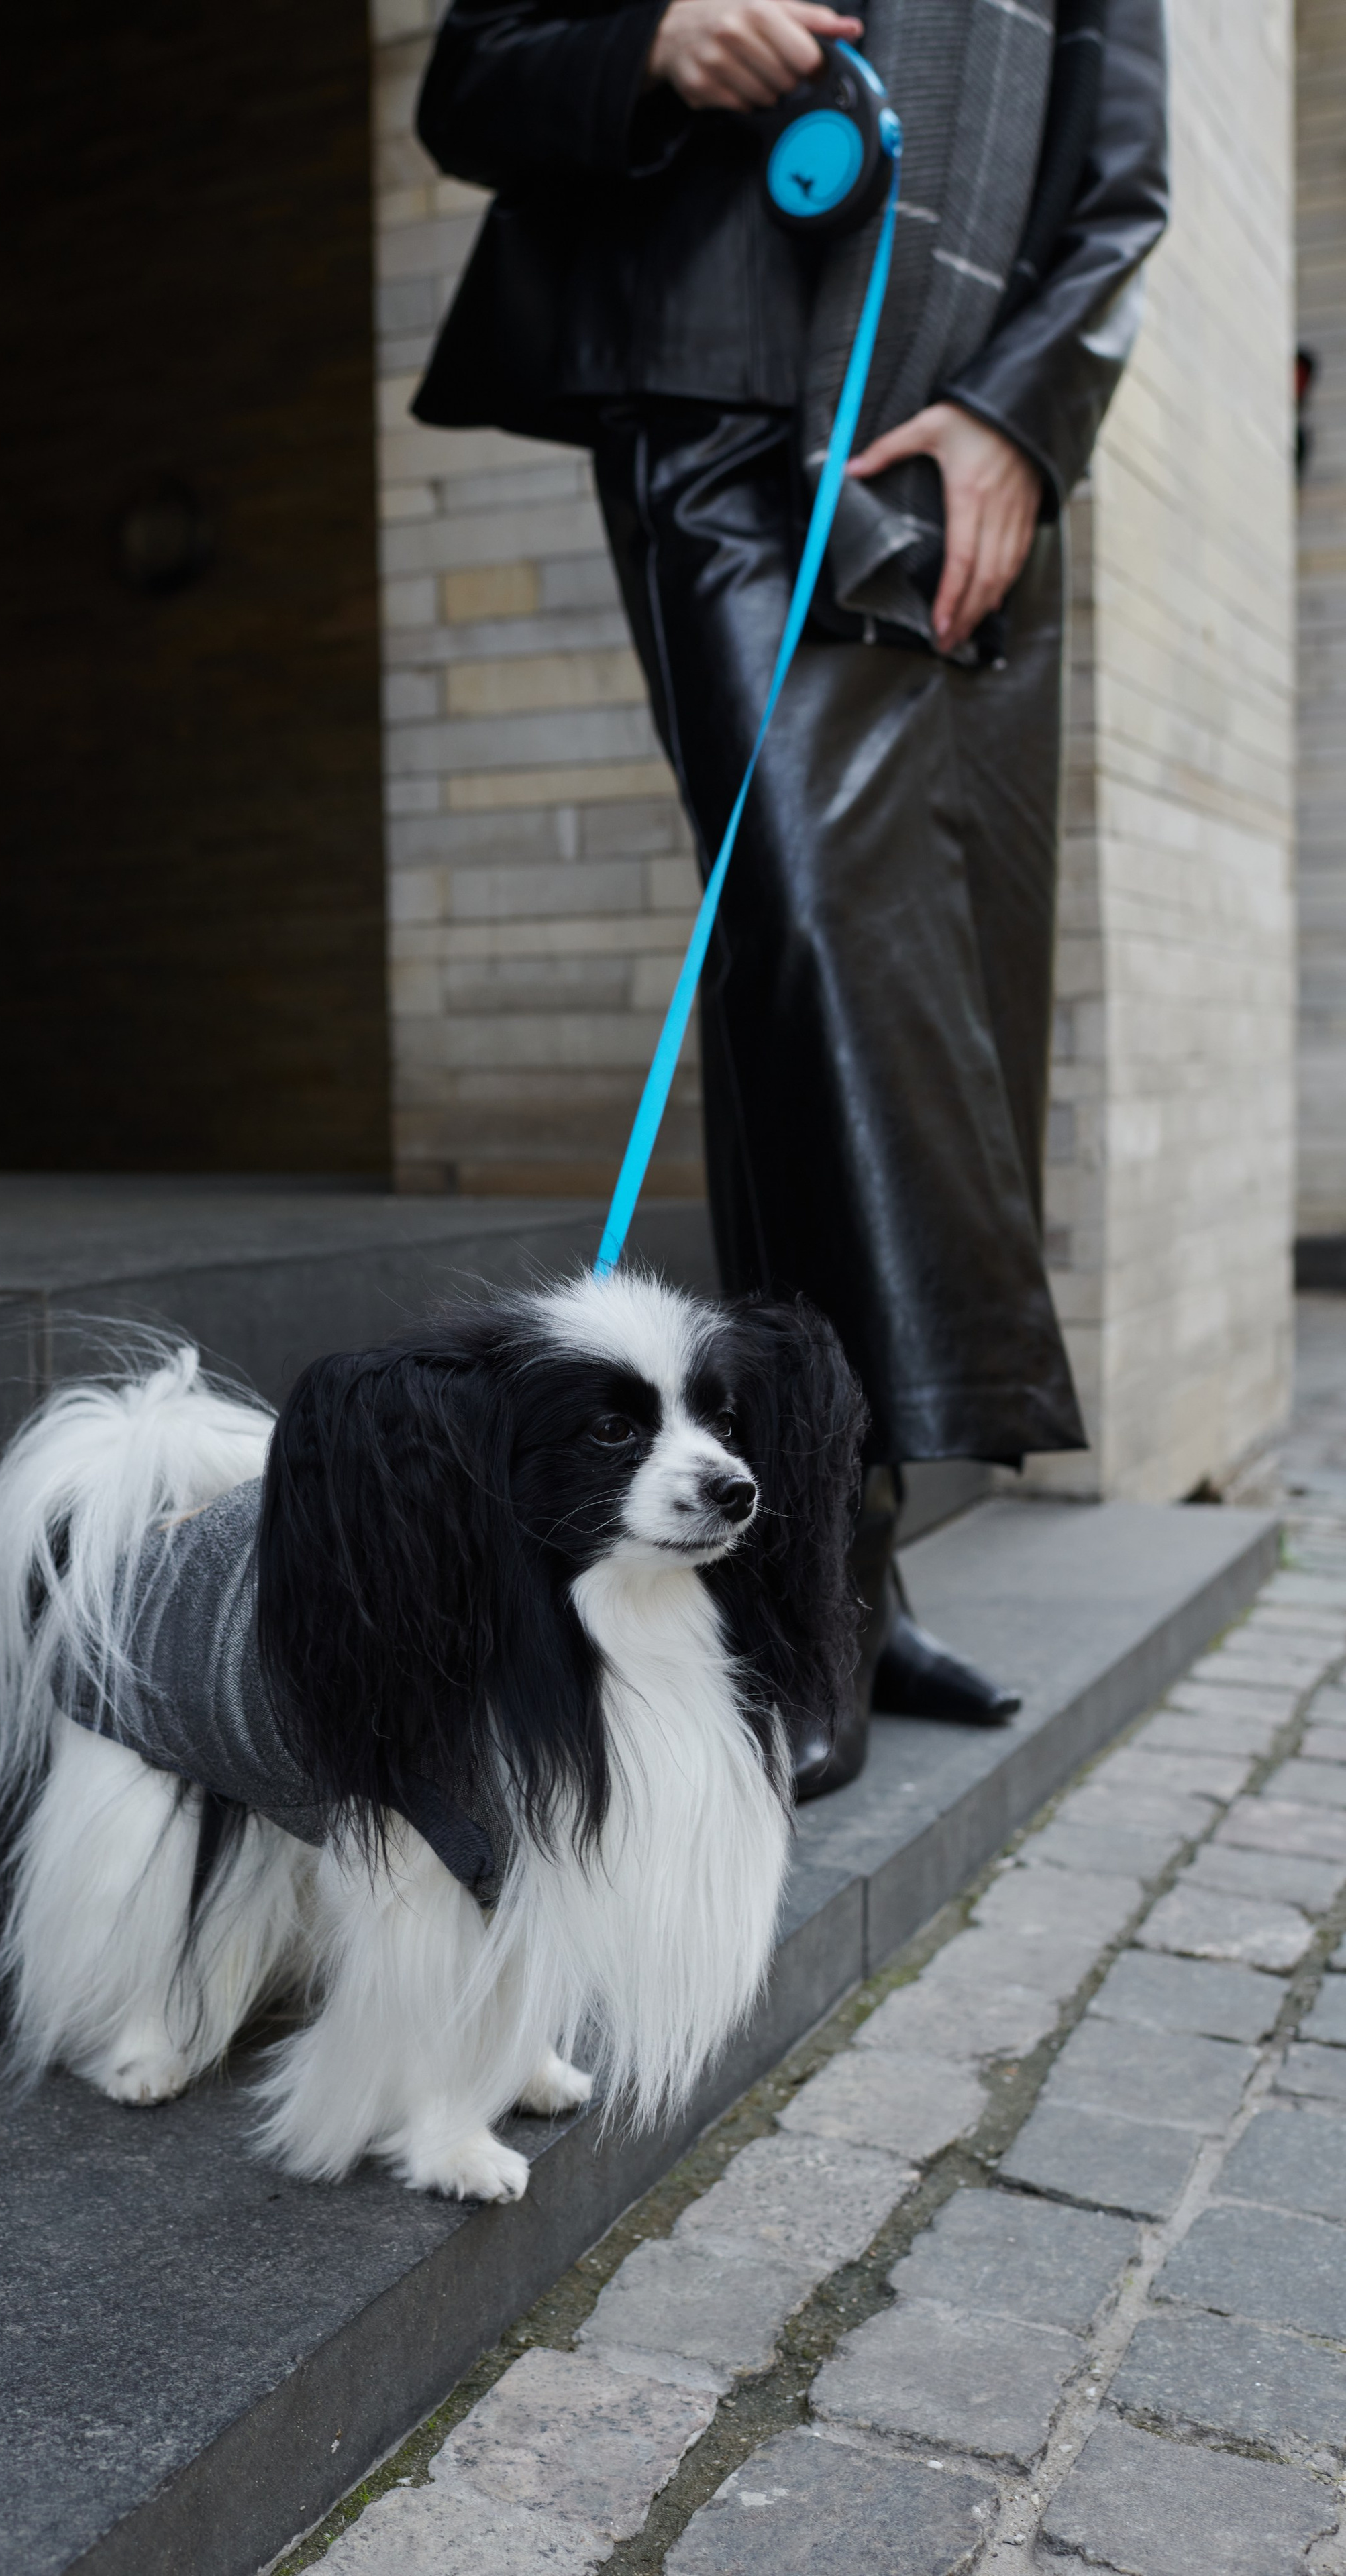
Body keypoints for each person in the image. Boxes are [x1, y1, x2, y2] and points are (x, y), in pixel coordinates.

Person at [411, 0, 1169, 1795]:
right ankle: (811, 1577)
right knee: (812, 941)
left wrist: (1018, 418)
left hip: (964, 431)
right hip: (723, 385)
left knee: (934, 971)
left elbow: (1121, 184)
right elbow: (472, 80)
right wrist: (656, 43)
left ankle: (845, 1553)